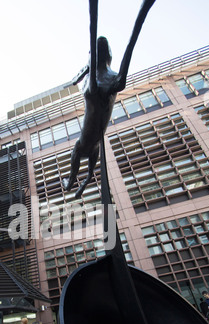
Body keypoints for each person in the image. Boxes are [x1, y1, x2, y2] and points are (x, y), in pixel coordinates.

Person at [62, 0, 156, 199]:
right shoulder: (94, 79)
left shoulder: (111, 78)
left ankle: (73, 182)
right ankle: (72, 181)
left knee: (83, 163)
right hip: (91, 141)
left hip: (91, 142)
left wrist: (143, 11)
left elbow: (125, 51)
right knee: (82, 167)